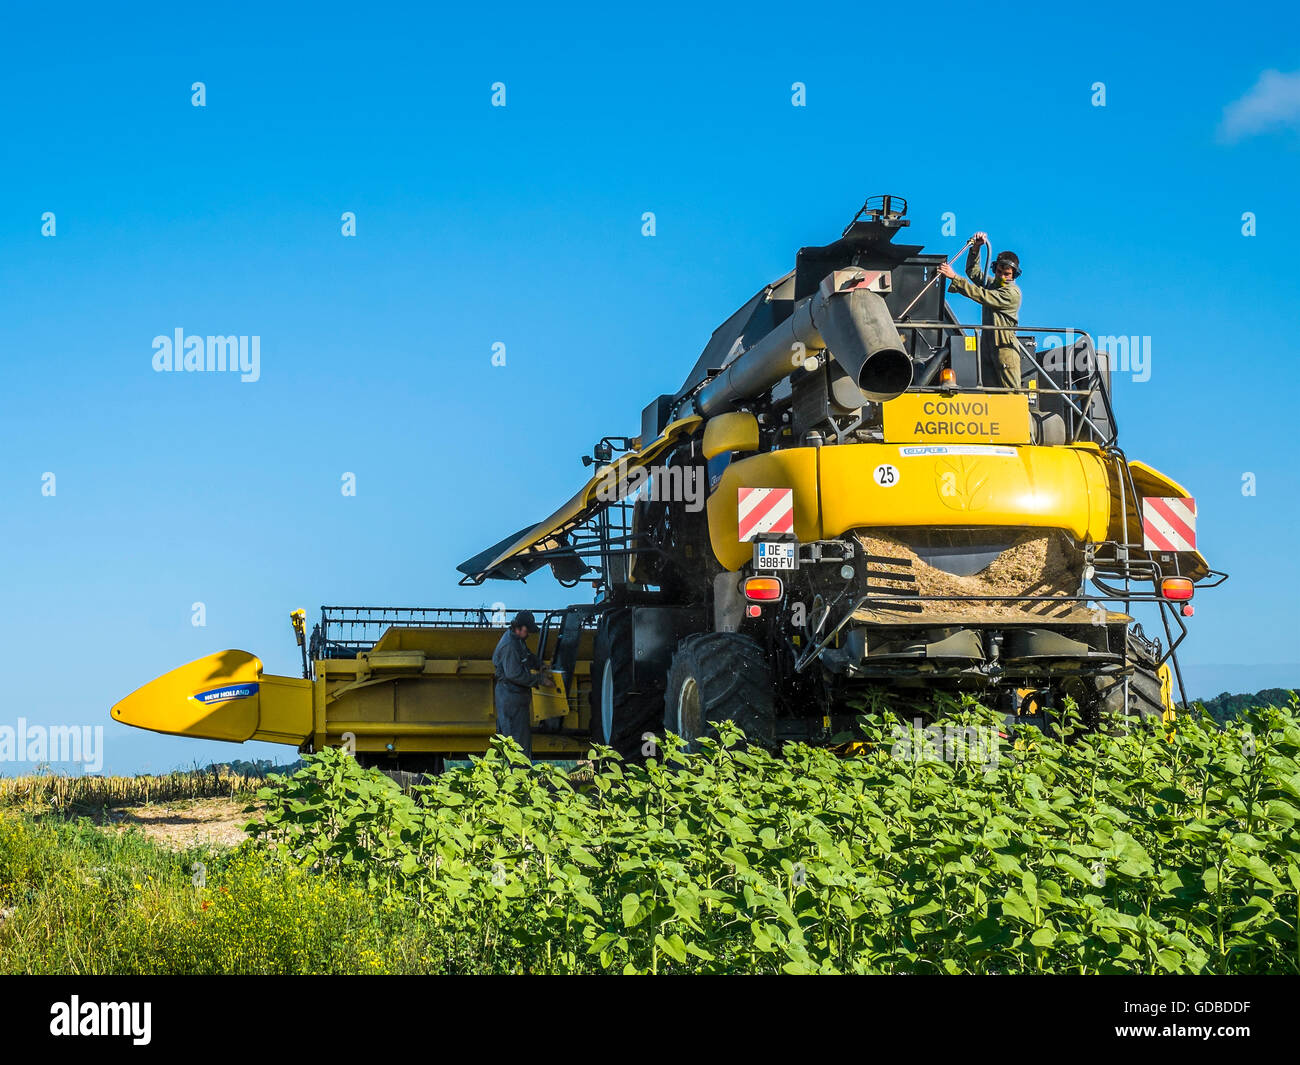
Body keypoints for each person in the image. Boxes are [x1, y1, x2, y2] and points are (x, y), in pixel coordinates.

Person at [938, 232, 1023, 389]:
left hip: (1004, 347)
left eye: (1007, 274)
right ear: (994, 269)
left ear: (1014, 274)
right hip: (987, 347)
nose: (1002, 277)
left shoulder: (1012, 293)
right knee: (991, 394)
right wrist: (976, 248)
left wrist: (954, 278)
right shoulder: (993, 284)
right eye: (999, 272)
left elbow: (982, 295)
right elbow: (973, 272)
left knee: (1012, 395)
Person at [491, 610, 551, 759]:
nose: (529, 634)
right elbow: (514, 674)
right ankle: (517, 776)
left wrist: (539, 665)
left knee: (518, 738)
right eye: (527, 630)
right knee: (516, 741)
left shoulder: (517, 640)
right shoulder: (510, 645)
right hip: (510, 698)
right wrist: (539, 680)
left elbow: (527, 656)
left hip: (515, 697)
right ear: (519, 628)